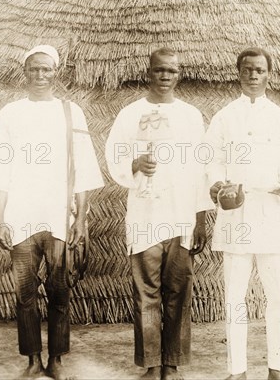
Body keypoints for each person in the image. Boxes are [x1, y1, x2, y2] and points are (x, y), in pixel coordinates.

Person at [0, 45, 104, 380]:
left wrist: (81, 218)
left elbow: (84, 167)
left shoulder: (70, 112)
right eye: (34, 69)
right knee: (25, 293)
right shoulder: (10, 113)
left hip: (58, 218)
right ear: (25, 72)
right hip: (20, 218)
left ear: (56, 73)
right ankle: (33, 359)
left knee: (60, 291)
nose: (40, 75)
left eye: (46, 69)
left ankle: (57, 360)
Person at [105, 47, 211, 380]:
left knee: (178, 291)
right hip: (145, 216)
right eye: (159, 70)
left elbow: (202, 169)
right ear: (148, 73)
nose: (165, 77)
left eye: (172, 71)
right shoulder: (129, 114)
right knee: (146, 291)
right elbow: (113, 157)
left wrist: (200, 218)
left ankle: (172, 363)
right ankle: (151, 363)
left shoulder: (192, 116)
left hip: (181, 217)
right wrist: (133, 163)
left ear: (180, 74)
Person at [206, 47, 280, 380]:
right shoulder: (224, 117)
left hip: (271, 217)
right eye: (247, 69)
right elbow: (212, 159)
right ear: (238, 73)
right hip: (236, 216)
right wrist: (218, 183)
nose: (253, 75)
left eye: (259, 70)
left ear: (268, 75)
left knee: (275, 296)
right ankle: (237, 369)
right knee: (234, 297)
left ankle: (277, 365)